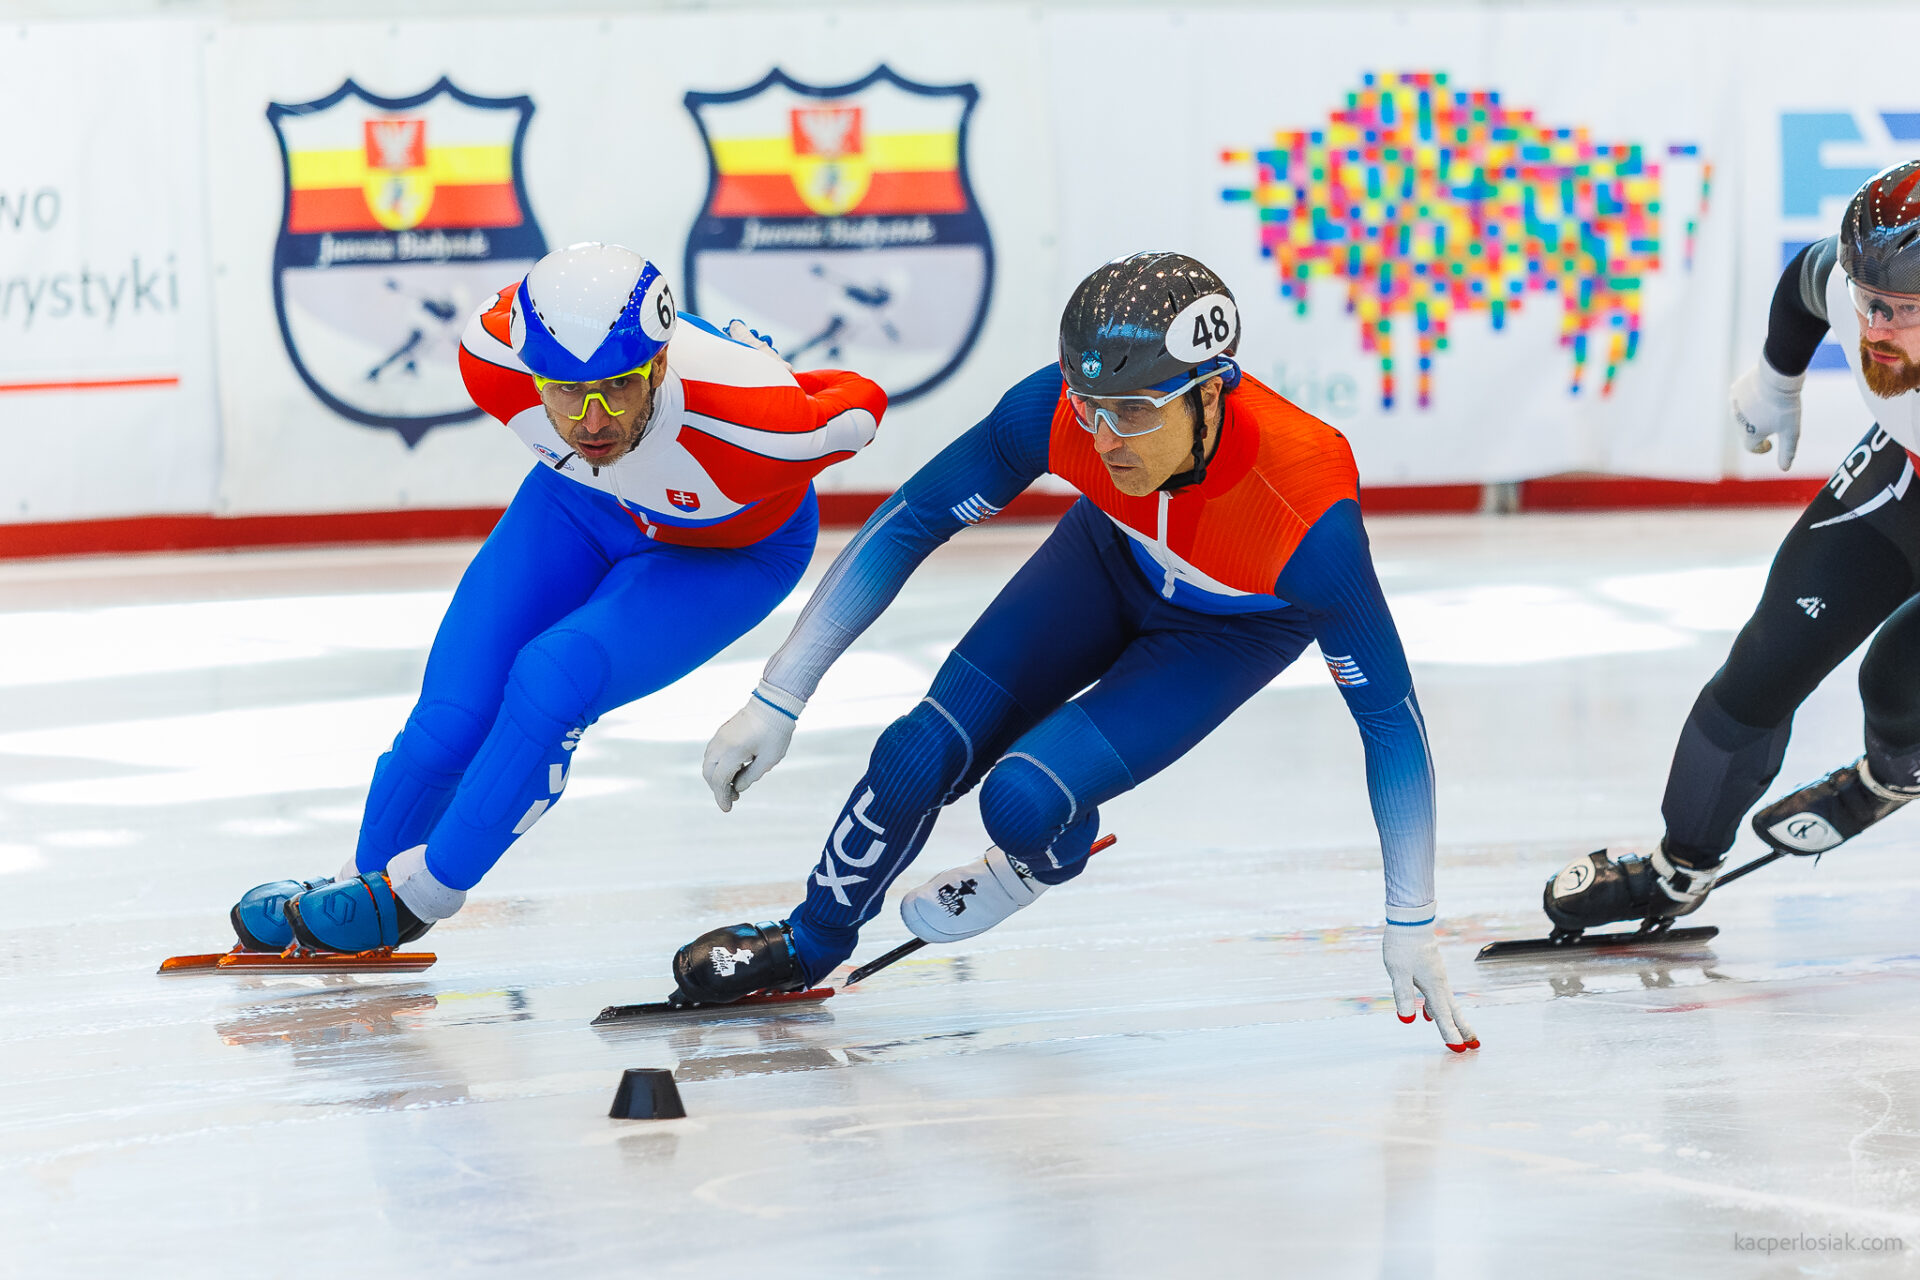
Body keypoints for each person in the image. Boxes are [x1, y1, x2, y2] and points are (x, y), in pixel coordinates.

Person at [668, 251, 1478, 1051]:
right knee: (915, 751)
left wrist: (1411, 918)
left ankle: (1038, 861)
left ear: (1210, 392)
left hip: (1229, 632)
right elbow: (911, 520)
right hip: (1107, 555)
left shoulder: (1306, 511)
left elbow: (1389, 720)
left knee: (1021, 801)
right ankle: (812, 940)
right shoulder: (1056, 412)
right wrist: (779, 697)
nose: (1106, 437)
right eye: (1090, 407)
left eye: (1134, 411)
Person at [226, 242, 886, 954]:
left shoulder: (761, 429)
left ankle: (421, 896)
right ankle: (359, 884)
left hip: (726, 550)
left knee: (554, 676)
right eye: (564, 390)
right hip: (583, 501)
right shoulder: (490, 355)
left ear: (660, 364)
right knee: (449, 720)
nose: (592, 421)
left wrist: (763, 370)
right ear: (530, 370)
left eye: (618, 386)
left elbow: (862, 402)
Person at [1545, 161, 1920, 934]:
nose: (1877, 330)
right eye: (1870, 302)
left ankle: (1895, 770)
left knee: (1895, 679)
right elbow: (1808, 278)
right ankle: (1677, 869)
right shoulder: (1847, 289)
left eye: (1904, 311)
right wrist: (1777, 380)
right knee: (1765, 663)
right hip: (1906, 477)